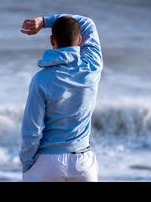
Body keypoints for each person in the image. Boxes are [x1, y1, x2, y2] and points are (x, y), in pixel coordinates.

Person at [19, 14, 103, 182]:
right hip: (82, 164)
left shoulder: (40, 79)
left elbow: (32, 129)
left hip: (47, 163)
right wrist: (43, 21)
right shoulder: (92, 67)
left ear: (52, 40)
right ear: (79, 40)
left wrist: (27, 164)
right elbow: (88, 23)